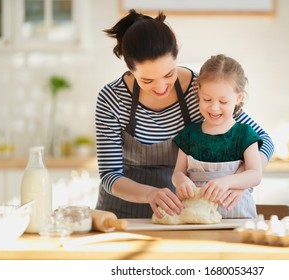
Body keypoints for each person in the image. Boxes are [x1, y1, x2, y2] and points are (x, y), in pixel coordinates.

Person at [95, 9, 274, 219]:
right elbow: (109, 175)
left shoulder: (200, 90)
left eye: (168, 74)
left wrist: (240, 182)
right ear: (128, 66)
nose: (161, 87)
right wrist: (149, 193)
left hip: (181, 211)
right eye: (147, 81)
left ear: (177, 50)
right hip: (121, 213)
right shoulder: (112, 98)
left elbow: (264, 141)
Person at [172, 54, 262, 218]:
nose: (214, 108)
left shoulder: (245, 134)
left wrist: (227, 182)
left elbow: (255, 174)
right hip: (194, 218)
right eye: (207, 99)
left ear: (238, 98)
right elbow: (178, 172)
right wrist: (180, 181)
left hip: (238, 218)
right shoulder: (189, 134)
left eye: (223, 102)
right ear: (198, 92)